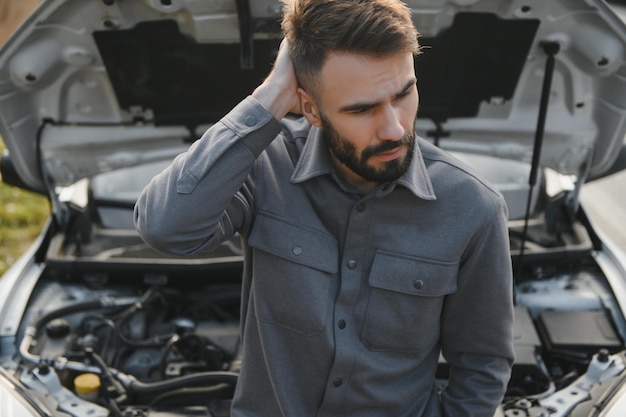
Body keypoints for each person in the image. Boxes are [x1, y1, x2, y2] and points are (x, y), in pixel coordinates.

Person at [134, 0, 515, 415]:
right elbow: (165, 227)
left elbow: (482, 364)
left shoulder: (474, 207)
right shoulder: (266, 169)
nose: (394, 128)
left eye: (404, 93)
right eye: (361, 109)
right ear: (310, 108)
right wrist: (269, 99)